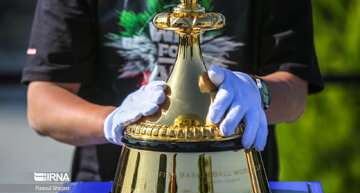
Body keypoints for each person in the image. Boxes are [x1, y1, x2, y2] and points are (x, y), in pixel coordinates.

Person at [22, 0, 323, 182]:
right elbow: (42, 103)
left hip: (235, 186)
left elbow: (295, 88)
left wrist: (257, 92)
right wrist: (114, 120)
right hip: (112, 187)